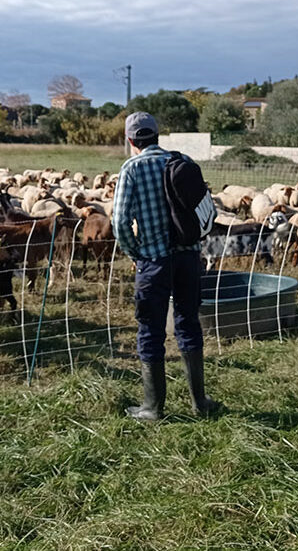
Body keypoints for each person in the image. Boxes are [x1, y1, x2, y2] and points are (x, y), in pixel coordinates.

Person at [111, 112, 219, 420]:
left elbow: (119, 222)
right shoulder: (182, 160)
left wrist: (136, 254)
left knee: (151, 329)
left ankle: (152, 407)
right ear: (157, 136)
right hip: (188, 257)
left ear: (131, 140)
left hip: (154, 261)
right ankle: (200, 403)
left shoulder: (132, 168)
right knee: (188, 323)